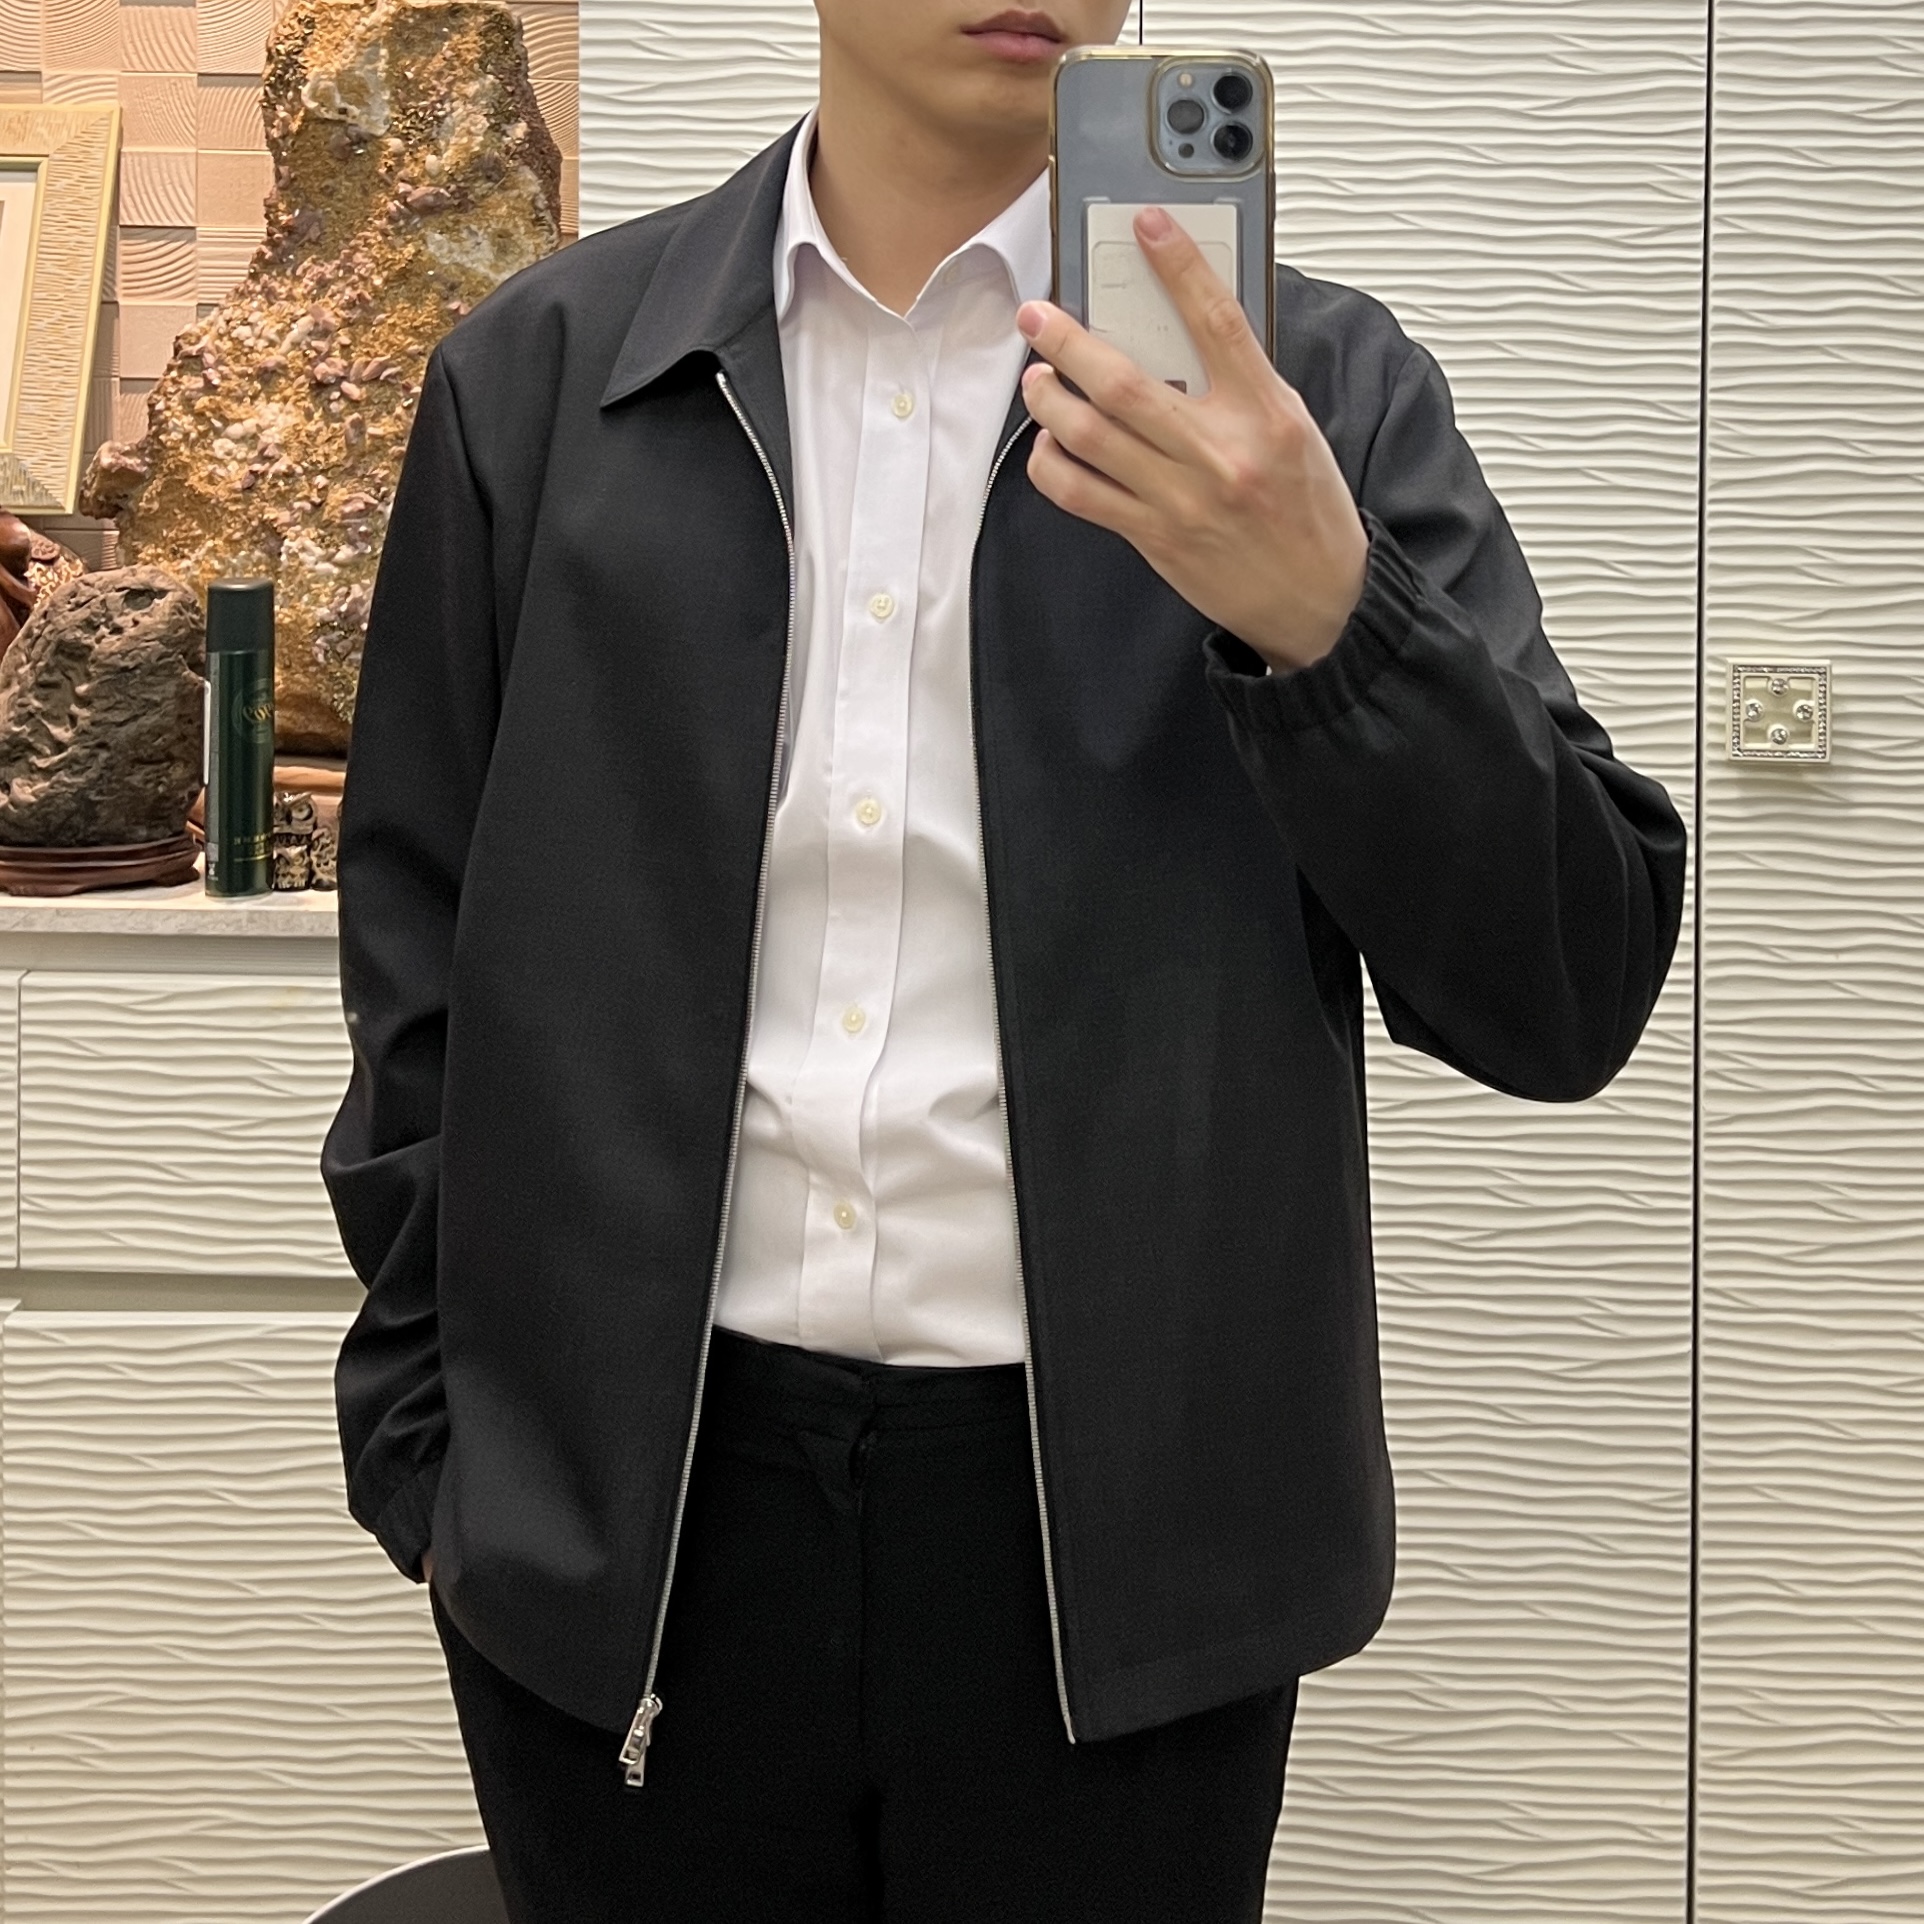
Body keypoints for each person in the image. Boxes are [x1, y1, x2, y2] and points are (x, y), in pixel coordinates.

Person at [323, 3, 1686, 1919]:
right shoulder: (544, 375)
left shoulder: (1313, 398)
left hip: (1132, 1569)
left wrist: (1332, 616)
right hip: (626, 1528)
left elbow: (1568, 982)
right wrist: (442, 1458)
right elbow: (419, 955)